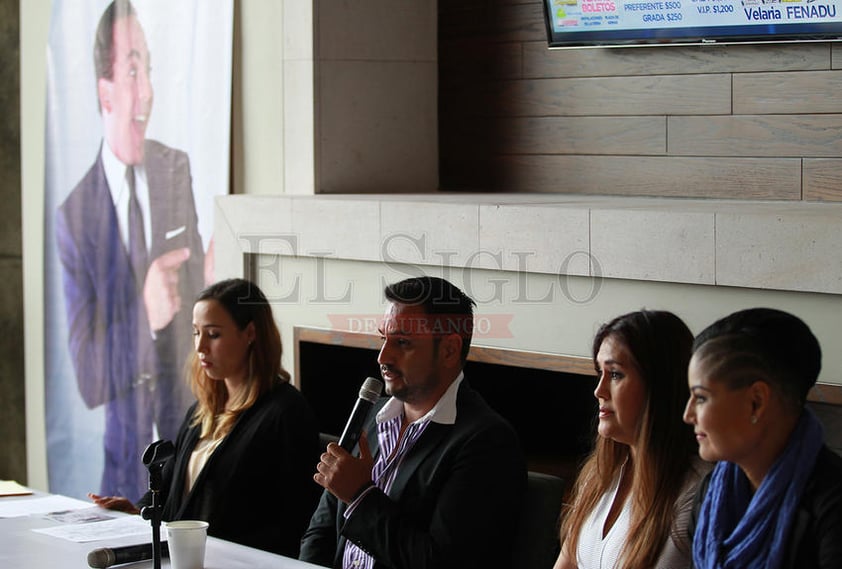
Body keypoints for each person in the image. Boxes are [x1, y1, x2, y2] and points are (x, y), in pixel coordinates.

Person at [55, 0, 207, 501]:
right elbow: (91, 379)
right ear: (104, 91)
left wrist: (211, 287)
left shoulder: (174, 168)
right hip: (123, 475)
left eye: (151, 69)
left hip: (192, 460)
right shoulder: (75, 216)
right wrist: (146, 311)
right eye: (132, 69)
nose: (147, 92)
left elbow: (201, 319)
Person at [299, 276, 526, 569]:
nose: (383, 356)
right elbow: (320, 530)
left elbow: (440, 563)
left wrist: (360, 496)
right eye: (384, 339)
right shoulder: (371, 414)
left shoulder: (487, 442)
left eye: (403, 342)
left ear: (449, 350)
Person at [90, 278, 321, 557]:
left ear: (250, 333)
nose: (200, 347)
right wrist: (137, 510)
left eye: (213, 335)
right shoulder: (203, 409)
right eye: (196, 333)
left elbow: (295, 519)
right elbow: (171, 494)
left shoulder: (285, 412)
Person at [684, 308, 842, 569]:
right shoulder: (710, 494)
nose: (688, 415)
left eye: (701, 398)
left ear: (756, 402)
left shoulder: (831, 507)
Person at [554, 310, 709, 569]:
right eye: (599, 373)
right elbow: (566, 563)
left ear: (659, 385)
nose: (599, 390)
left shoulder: (696, 492)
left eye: (615, 374)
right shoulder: (599, 474)